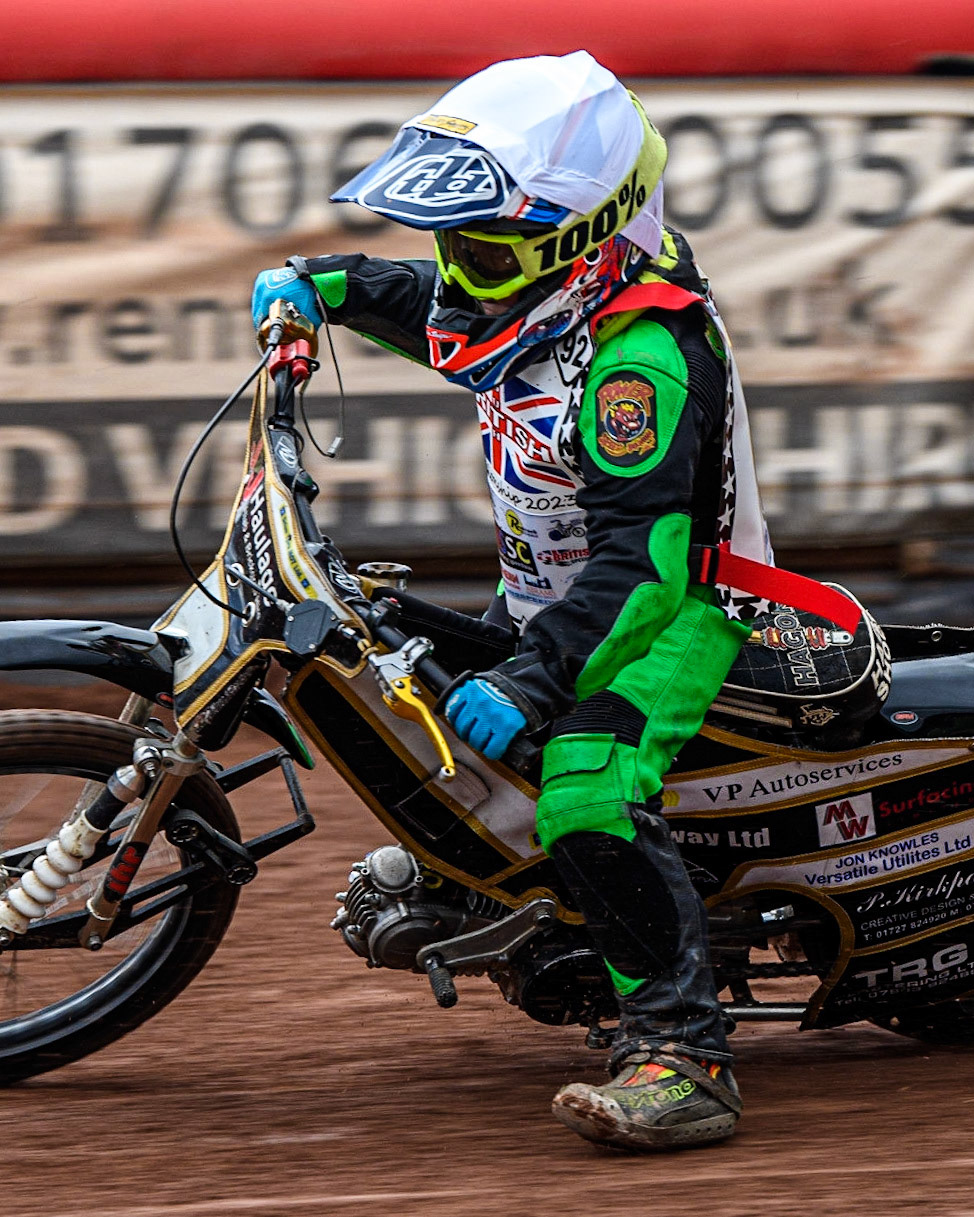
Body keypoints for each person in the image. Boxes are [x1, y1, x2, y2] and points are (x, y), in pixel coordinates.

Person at [251, 50, 771, 1152]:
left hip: (670, 614)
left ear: (579, 238)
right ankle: (501, 893)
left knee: (582, 782)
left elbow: (646, 566)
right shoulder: (539, 292)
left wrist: (535, 674)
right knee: (407, 683)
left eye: (484, 247)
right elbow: (442, 314)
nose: (459, 268)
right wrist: (325, 287)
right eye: (453, 242)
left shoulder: (640, 358)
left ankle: (683, 1055)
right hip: (549, 594)